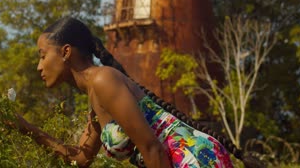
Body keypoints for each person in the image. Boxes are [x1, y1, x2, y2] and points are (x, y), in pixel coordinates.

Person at [14, 16, 261, 168]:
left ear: (66, 52)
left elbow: (152, 148)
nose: (39, 66)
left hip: (194, 158)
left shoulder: (104, 80)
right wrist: (25, 128)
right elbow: (80, 158)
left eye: (43, 56)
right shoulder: (95, 101)